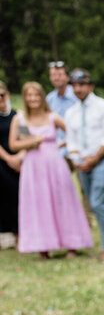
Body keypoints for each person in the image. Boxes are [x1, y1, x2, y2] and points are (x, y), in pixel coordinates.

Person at [11, 81, 92, 258]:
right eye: (29, 95)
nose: (33, 98)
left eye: (36, 95)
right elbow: (15, 144)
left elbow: (73, 133)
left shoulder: (52, 117)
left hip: (54, 164)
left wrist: (63, 144)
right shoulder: (21, 119)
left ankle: (73, 244)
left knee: (63, 200)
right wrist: (31, 142)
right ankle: (43, 247)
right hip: (33, 167)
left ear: (42, 97)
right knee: (39, 204)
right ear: (25, 98)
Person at [63, 69, 104, 258]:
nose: (77, 89)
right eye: (74, 85)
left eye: (81, 84)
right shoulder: (71, 113)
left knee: (97, 203)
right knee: (90, 203)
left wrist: (94, 158)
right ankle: (96, 242)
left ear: (90, 86)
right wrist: (77, 159)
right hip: (83, 164)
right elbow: (71, 140)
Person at [0, 81, 21, 250]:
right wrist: (8, 159)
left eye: (1, 95)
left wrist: (19, 158)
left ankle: (20, 232)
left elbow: (27, 139)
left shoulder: (18, 116)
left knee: (19, 197)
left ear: (7, 95)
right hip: (3, 162)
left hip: (19, 162)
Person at [44, 61, 77, 160]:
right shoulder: (49, 99)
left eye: (59, 75)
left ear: (67, 77)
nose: (56, 78)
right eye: (53, 75)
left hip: (76, 145)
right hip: (56, 148)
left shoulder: (77, 95)